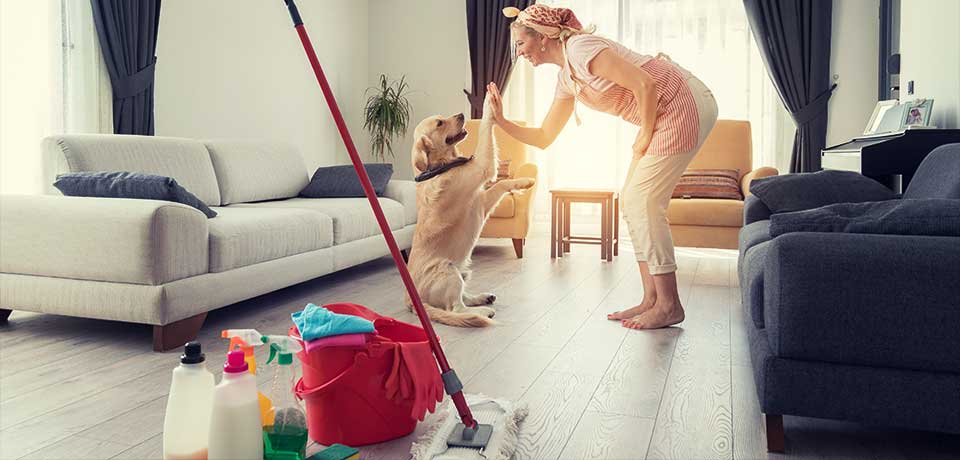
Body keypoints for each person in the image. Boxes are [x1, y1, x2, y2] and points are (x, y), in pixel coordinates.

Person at [487, 4, 718, 329]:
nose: (519, 53)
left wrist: (643, 136)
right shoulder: (567, 77)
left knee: (645, 201)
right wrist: (501, 121)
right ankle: (652, 299)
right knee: (633, 201)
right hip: (663, 112)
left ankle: (669, 305)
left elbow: (645, 85)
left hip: (682, 101)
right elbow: (543, 137)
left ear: (541, 38)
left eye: (521, 44)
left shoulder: (581, 48)